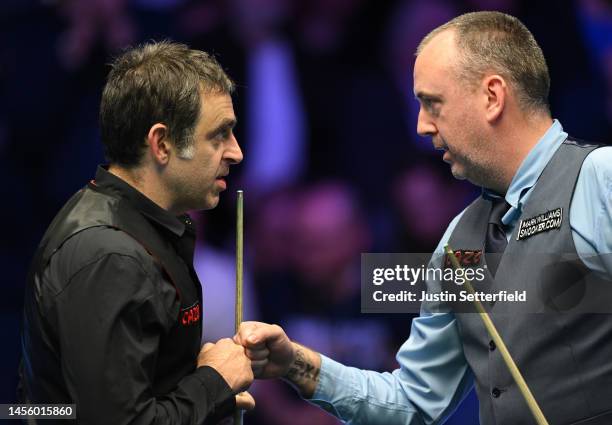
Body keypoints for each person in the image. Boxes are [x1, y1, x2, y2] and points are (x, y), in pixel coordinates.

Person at [235, 11, 612, 425]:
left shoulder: (600, 179)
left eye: (433, 104)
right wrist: (297, 365)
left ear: (492, 96)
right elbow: (413, 401)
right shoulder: (458, 242)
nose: (421, 126)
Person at [19, 41, 254, 424]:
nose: (236, 152)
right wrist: (215, 382)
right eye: (219, 135)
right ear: (161, 143)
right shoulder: (108, 255)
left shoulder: (142, 226)